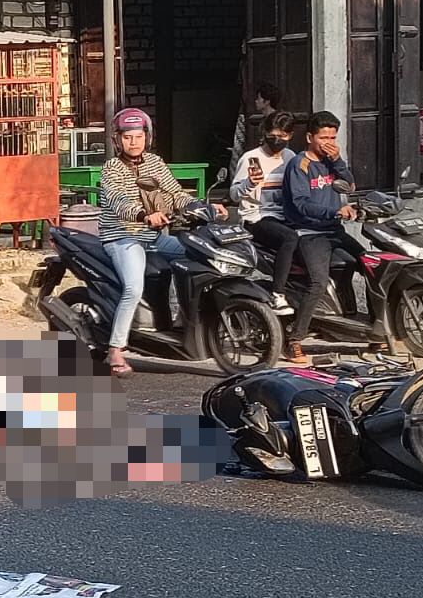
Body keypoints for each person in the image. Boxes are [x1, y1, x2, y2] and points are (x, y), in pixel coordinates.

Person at [98, 108, 219, 378]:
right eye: (127, 137)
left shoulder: (155, 163)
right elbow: (119, 201)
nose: (133, 142)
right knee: (133, 288)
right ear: (117, 140)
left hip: (153, 237)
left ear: (147, 137)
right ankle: (115, 349)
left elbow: (175, 193)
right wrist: (144, 215)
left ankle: (182, 318)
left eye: (138, 136)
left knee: (198, 254)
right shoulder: (111, 169)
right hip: (122, 237)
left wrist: (204, 207)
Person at [281, 110, 358, 364]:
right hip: (310, 233)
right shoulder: (299, 165)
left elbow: (350, 185)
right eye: (323, 137)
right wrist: (334, 211)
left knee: (370, 263)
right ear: (310, 137)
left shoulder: (331, 161)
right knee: (318, 281)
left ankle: (366, 326)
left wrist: (338, 161)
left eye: (333, 137)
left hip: (335, 230)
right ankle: (295, 339)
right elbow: (301, 204)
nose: (329, 142)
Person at [231, 110, 299, 316]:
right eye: (273, 135)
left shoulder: (290, 157)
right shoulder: (251, 158)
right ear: (265, 133)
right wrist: (249, 183)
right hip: (256, 217)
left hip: (284, 215)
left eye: (282, 136)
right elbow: (234, 194)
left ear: (290, 135)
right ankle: (278, 293)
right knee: (290, 237)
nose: (277, 140)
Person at [229, 82, 282, 175]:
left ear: (267, 101)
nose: (256, 101)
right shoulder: (264, 120)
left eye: (258, 98)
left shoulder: (277, 120)